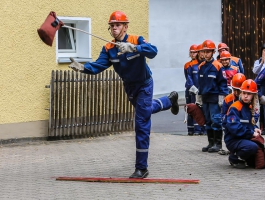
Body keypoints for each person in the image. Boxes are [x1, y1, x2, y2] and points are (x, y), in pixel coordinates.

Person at [68, 11, 179, 178]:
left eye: (118, 25)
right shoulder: (108, 48)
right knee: (145, 110)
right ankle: (169, 100)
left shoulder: (136, 39)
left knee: (141, 123)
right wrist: (84, 68)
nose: (114, 28)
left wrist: (135, 48)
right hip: (130, 87)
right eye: (112, 26)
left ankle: (141, 168)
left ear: (125, 27)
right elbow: (99, 65)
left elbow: (153, 51)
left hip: (144, 85)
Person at [196, 40, 228, 153]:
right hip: (205, 98)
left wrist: (222, 98)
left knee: (216, 120)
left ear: (213, 52)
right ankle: (210, 143)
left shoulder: (218, 66)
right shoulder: (201, 66)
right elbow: (200, 83)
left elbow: (223, 83)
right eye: (204, 52)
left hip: (215, 98)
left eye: (208, 52)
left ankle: (218, 144)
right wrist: (198, 96)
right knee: (208, 120)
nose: (206, 54)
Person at [224, 79, 261, 168]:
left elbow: (248, 123)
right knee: (252, 147)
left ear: (253, 95)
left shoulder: (249, 107)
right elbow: (235, 128)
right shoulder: (235, 107)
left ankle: (244, 158)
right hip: (233, 139)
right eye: (244, 93)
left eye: (249, 94)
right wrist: (251, 133)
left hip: (243, 137)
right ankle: (234, 157)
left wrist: (254, 128)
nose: (246, 96)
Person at [252, 44, 265, 136]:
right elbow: (255, 71)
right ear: (262, 51)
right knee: (261, 107)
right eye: (264, 50)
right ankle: (262, 127)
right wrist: (262, 63)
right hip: (260, 85)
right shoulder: (258, 61)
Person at [184, 44, 201, 136]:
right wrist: (193, 88)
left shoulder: (201, 64)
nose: (193, 54)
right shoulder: (188, 65)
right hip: (191, 90)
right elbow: (188, 78)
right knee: (191, 109)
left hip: (200, 90)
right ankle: (191, 129)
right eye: (191, 52)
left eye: (195, 52)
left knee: (200, 110)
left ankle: (199, 129)